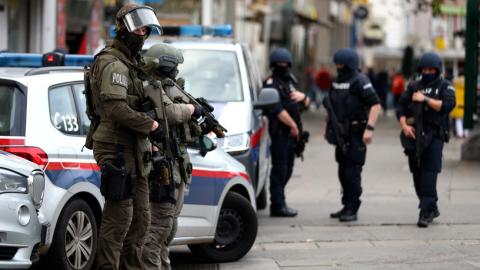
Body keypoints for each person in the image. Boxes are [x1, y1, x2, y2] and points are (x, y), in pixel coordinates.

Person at [85, 4, 161, 270]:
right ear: (123, 28)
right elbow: (114, 109)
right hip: (115, 146)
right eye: (139, 28)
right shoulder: (111, 63)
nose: (143, 33)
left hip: (133, 146)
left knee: (141, 219)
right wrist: (149, 125)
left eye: (146, 29)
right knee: (119, 218)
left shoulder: (131, 62)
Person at [140, 44, 203, 270]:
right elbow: (171, 113)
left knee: (167, 228)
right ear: (166, 65)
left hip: (171, 162)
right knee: (158, 227)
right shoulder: (150, 87)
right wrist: (193, 110)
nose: (177, 70)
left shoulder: (167, 88)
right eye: (174, 66)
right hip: (159, 166)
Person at [396, 52, 455, 228]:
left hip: (435, 135)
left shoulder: (445, 85)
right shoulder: (414, 85)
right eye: (424, 69)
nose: (427, 72)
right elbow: (400, 106)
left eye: (431, 69)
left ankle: (426, 211)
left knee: (429, 172)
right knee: (417, 174)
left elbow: (447, 105)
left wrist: (426, 99)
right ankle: (431, 205)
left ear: (437, 70)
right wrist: (404, 126)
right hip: (414, 135)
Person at [323, 48, 381, 222]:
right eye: (337, 64)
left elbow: (375, 104)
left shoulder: (360, 80)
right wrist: (327, 127)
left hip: (356, 133)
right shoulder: (336, 81)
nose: (338, 67)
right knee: (342, 171)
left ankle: (353, 208)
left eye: (341, 64)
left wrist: (369, 128)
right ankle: (346, 205)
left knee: (352, 172)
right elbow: (333, 107)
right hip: (340, 133)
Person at [263, 48, 310, 217]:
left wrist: (304, 97)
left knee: (288, 169)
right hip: (280, 134)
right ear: (273, 65)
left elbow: (305, 105)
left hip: (292, 135)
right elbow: (276, 109)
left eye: (285, 63)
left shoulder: (289, 82)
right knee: (280, 170)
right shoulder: (271, 84)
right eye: (279, 63)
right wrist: (293, 125)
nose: (282, 66)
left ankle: (281, 200)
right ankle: (277, 205)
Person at [451, 70, 468, 138]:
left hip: (457, 103)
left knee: (458, 120)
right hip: (465, 102)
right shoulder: (468, 82)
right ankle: (466, 133)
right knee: (466, 119)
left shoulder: (455, 82)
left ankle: (460, 133)